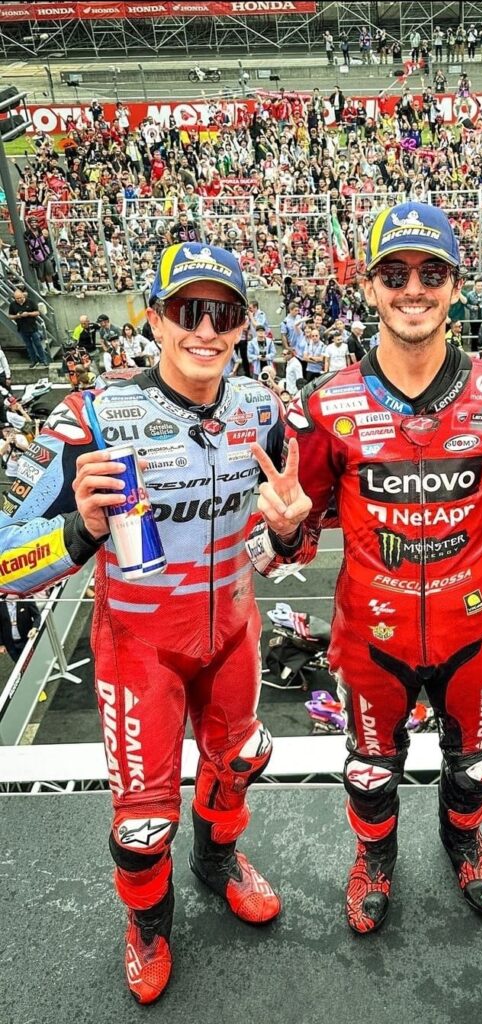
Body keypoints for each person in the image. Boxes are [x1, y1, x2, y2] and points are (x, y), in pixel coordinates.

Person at [245, 201, 482, 935]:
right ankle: (375, 856)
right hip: (371, 637)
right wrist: (287, 530)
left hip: (472, 631)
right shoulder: (322, 406)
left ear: (455, 285)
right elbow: (284, 552)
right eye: (394, 274)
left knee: (478, 764)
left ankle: (464, 841)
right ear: (369, 287)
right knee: (369, 771)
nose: (413, 289)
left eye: (431, 273)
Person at [0, 243, 286, 1004]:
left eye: (222, 313)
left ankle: (217, 863)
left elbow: (280, 540)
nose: (205, 330)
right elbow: (3, 560)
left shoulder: (263, 409)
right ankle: (149, 924)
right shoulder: (89, 418)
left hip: (233, 631)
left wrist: (288, 535)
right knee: (142, 822)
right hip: (139, 648)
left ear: (243, 324)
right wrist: (81, 531)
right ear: (154, 319)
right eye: (188, 311)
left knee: (239, 761)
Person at [8, 288, 49, 368]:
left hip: (32, 327)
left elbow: (37, 312)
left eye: (20, 298)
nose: (19, 300)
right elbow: (10, 316)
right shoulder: (12, 305)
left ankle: (44, 360)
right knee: (29, 346)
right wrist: (17, 316)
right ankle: (34, 361)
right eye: (17, 299)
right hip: (22, 328)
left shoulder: (30, 302)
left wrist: (28, 314)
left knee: (38, 344)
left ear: (23, 296)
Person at [0, 594, 41, 663]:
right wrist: (1, 644)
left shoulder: (26, 598)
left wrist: (34, 628)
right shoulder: (1, 603)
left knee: (33, 662)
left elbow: (37, 616)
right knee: (19, 664)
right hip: (10, 644)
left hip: (27, 638)